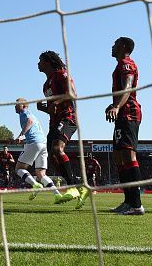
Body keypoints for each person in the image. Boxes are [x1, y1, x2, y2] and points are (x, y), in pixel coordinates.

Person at [37, 51, 89, 207]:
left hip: (68, 117)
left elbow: (72, 94)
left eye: (40, 60)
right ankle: (79, 187)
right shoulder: (46, 85)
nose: (38, 64)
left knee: (57, 149)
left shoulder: (61, 74)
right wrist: (44, 109)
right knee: (52, 156)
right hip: (54, 122)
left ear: (48, 62)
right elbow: (53, 109)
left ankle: (72, 187)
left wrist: (57, 103)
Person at [105, 37, 144, 215]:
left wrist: (117, 106)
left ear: (122, 46)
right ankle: (128, 202)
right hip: (123, 114)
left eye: (114, 44)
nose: (111, 47)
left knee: (128, 155)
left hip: (129, 113)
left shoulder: (126, 64)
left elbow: (128, 88)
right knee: (119, 157)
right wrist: (113, 105)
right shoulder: (119, 65)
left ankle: (137, 204)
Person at [14, 98, 63, 203]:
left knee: (19, 169)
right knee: (41, 174)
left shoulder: (24, 113)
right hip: (42, 144)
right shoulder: (31, 114)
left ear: (24, 105)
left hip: (34, 143)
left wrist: (21, 135)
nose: (15, 106)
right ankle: (58, 195)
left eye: (17, 104)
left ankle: (35, 185)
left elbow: (29, 121)